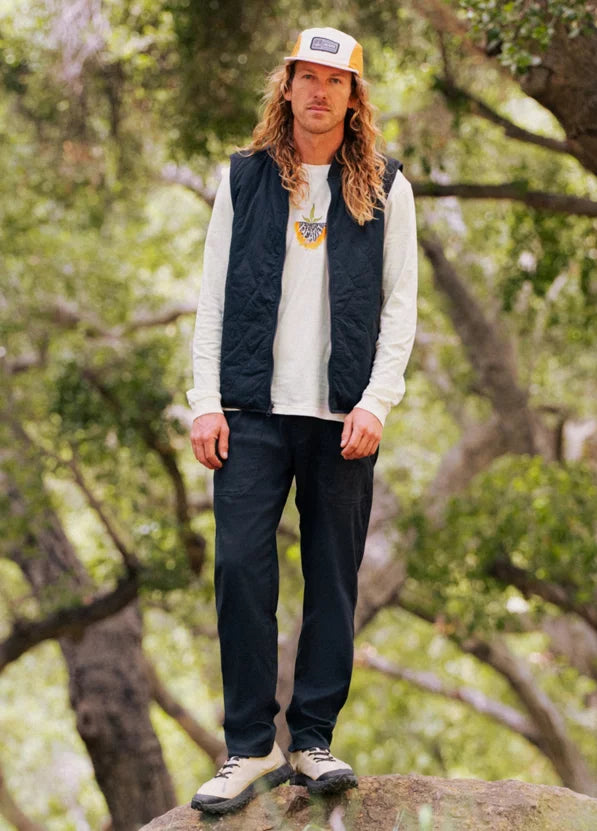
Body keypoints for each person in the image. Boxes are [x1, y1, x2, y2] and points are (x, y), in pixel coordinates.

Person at [186, 26, 418, 814]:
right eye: (306, 77)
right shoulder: (245, 179)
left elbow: (400, 308)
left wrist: (376, 402)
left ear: (354, 98)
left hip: (342, 417)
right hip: (249, 409)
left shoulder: (386, 185)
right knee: (240, 570)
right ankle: (248, 748)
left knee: (331, 579)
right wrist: (203, 400)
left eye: (335, 80)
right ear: (285, 87)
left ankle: (311, 739)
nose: (319, 92)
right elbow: (213, 294)